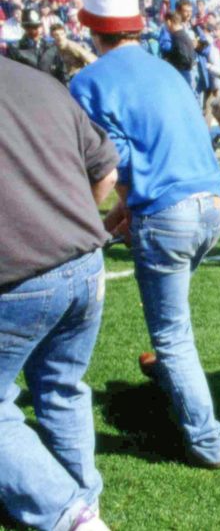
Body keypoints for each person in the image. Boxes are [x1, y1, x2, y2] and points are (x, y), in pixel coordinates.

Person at [69, 0, 220, 469]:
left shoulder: (87, 82)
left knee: (172, 334)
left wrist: (91, 219)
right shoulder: (167, 70)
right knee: (174, 324)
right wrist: (124, 214)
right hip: (211, 207)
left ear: (92, 29)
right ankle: (173, 379)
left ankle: (207, 442)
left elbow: (111, 163)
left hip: (166, 215)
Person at [0, 56, 117, 531]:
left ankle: (72, 516)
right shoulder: (40, 81)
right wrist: (66, 223)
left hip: (18, 276)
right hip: (83, 263)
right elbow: (106, 171)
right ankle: (81, 500)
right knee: (63, 387)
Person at [7, 8, 66, 83]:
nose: (37, 30)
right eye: (33, 27)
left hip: (51, 89)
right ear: (25, 28)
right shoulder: (15, 49)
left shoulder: (52, 47)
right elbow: (12, 76)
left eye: (39, 26)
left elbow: (62, 73)